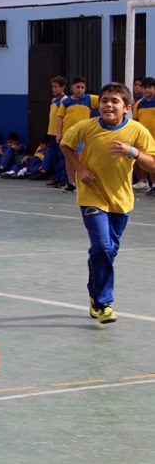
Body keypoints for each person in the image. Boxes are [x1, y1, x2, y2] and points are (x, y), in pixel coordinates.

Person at [60, 82, 155, 324]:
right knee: (102, 246)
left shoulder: (137, 131)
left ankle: (95, 289)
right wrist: (80, 169)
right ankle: (103, 303)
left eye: (115, 101)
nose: (108, 105)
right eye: (104, 101)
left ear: (127, 107)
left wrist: (132, 152)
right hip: (92, 196)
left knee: (108, 250)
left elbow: (151, 163)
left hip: (121, 200)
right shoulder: (86, 127)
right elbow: (65, 144)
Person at [57, 76, 99, 193]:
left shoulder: (89, 99)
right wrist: (58, 134)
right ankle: (71, 183)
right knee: (69, 159)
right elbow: (60, 118)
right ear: (72, 88)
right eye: (77, 87)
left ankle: (82, 181)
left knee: (81, 157)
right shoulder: (66, 102)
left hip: (83, 135)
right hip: (68, 135)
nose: (80, 89)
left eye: (82, 87)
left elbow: (104, 101)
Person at [131, 76, 155, 193]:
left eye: (149, 87)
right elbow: (136, 121)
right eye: (144, 87)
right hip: (146, 139)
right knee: (150, 162)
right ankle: (152, 185)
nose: (146, 90)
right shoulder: (139, 104)